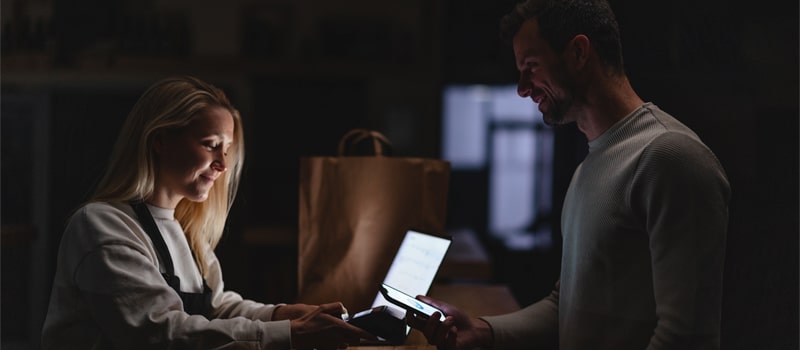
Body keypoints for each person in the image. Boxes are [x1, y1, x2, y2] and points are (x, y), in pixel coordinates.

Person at [411, 0, 731, 349]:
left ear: (579, 52)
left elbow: (685, 338)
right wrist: (483, 330)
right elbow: (566, 307)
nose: (522, 87)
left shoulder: (671, 158)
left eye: (531, 66)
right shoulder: (587, 169)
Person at [41, 76, 374, 349]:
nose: (222, 164)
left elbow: (217, 307)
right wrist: (291, 333)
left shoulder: (184, 228)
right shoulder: (102, 225)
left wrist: (281, 314)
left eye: (227, 149)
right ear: (159, 140)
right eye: (210, 144)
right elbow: (160, 333)